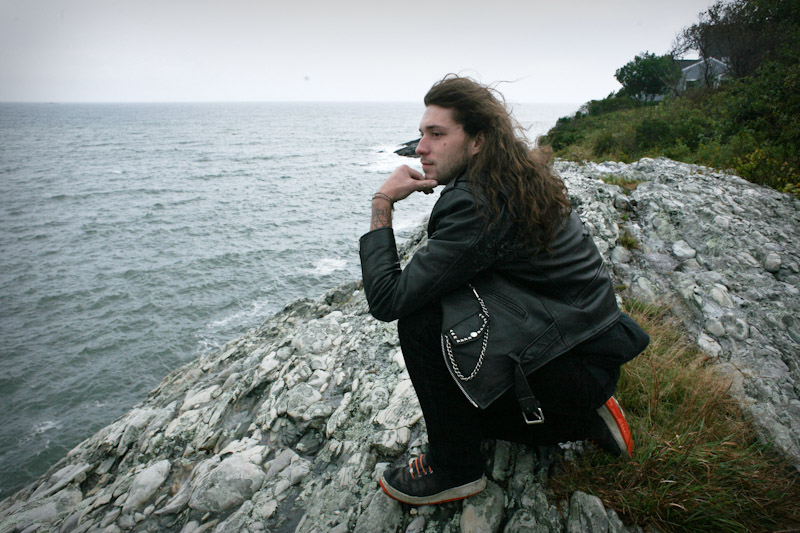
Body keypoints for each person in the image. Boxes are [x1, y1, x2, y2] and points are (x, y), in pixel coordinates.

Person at [359, 75, 650, 506]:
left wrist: (382, 201)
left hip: (572, 364)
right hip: (586, 348)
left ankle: (456, 468)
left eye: (436, 134)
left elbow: (388, 299)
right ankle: (581, 416)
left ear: (478, 141)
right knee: (450, 316)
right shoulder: (510, 176)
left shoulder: (476, 201)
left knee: (421, 321)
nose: (420, 148)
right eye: (421, 134)